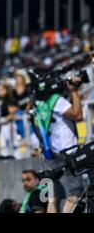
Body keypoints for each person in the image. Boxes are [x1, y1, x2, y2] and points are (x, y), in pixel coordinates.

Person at [32, 75, 84, 212]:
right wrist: (74, 91)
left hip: (51, 153)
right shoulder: (56, 100)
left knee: (53, 197)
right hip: (67, 152)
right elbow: (77, 115)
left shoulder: (39, 102)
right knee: (74, 193)